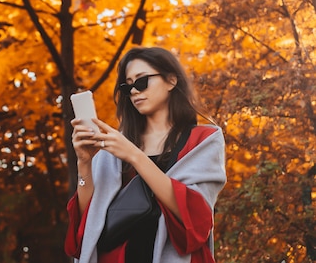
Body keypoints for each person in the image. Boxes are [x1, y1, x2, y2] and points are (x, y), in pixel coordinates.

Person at [65, 46, 226, 263]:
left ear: (171, 80)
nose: (134, 91)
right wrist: (84, 164)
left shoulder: (203, 140)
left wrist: (135, 156)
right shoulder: (114, 145)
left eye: (142, 81)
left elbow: (196, 218)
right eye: (127, 86)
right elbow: (87, 222)